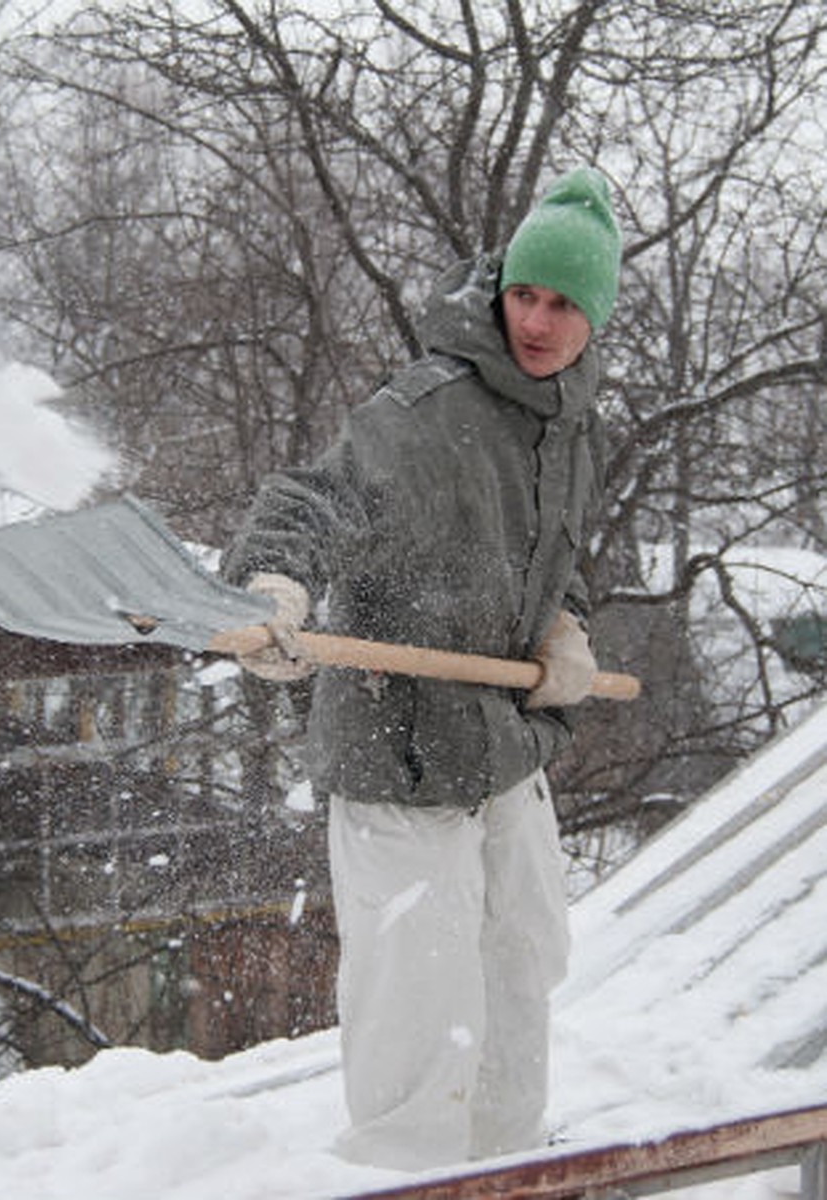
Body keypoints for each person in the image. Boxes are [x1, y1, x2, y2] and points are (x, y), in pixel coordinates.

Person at [220, 168, 622, 1171]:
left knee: (518, 980)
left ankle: (511, 1173)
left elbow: (554, 555)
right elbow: (316, 497)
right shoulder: (427, 410)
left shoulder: (574, 430)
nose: (536, 319)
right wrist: (273, 586)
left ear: (595, 316)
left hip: (500, 750)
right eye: (525, 293)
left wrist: (564, 629)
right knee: (421, 1016)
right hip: (398, 755)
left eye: (564, 302)